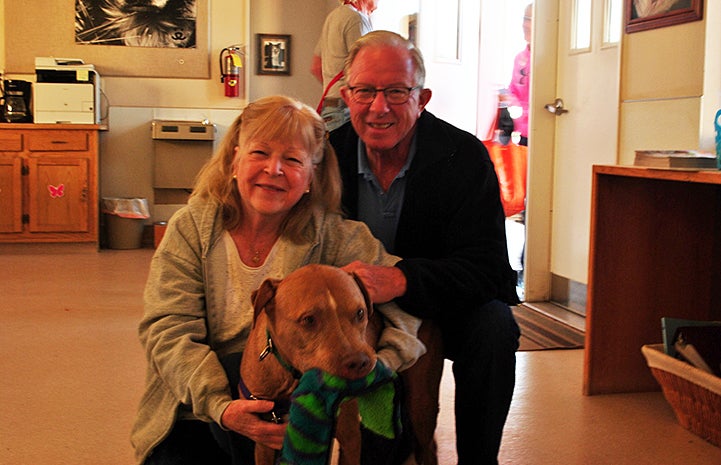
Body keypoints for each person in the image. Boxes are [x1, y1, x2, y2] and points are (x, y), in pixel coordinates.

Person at [130, 95, 426, 465]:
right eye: (260, 153)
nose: (274, 170)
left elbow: (403, 306)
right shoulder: (191, 228)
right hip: (201, 402)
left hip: (303, 404)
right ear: (234, 160)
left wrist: (375, 367)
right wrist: (221, 406)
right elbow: (167, 329)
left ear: (311, 176)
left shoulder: (338, 238)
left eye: (292, 159)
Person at [329, 31, 521, 465]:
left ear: (423, 97)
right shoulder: (327, 156)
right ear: (346, 95)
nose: (379, 107)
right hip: (355, 316)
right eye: (365, 91)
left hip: (438, 303)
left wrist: (402, 279)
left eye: (397, 91)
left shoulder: (463, 156)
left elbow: (490, 270)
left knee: (495, 326)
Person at [311, 0, 378, 132]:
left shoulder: (333, 16)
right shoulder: (356, 19)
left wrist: (335, 88)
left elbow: (316, 66)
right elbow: (366, 66)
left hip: (330, 103)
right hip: (346, 107)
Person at [504, 2, 532, 147]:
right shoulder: (520, 58)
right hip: (522, 132)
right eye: (524, 19)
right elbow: (512, 91)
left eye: (529, 20)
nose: (524, 25)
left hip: (541, 128)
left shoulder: (548, 61)